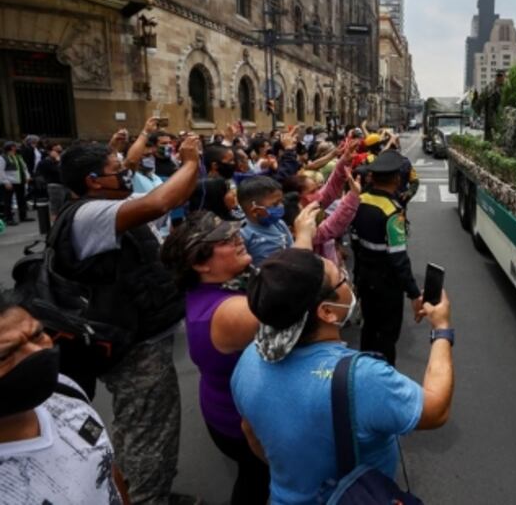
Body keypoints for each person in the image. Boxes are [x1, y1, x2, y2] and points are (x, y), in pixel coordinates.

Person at [231, 248, 455, 503]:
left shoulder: (249, 359)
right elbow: (436, 410)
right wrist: (442, 330)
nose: (349, 281)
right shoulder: (361, 379)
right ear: (327, 311)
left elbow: (250, 433)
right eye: (341, 278)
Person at [56, 127, 202, 505]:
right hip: (135, 350)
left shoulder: (100, 200)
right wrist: (189, 160)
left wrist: (132, 143)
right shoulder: (90, 214)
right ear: (93, 181)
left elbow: (166, 192)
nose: (125, 172)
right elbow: (159, 204)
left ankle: (134, 490)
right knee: (151, 433)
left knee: (136, 426)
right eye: (116, 168)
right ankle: (147, 498)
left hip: (140, 338)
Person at [161, 211, 275, 505]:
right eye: (225, 239)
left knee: (256, 478)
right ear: (199, 263)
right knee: (258, 482)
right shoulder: (231, 313)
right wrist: (302, 238)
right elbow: (294, 306)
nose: (238, 239)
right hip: (241, 424)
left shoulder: (216, 289)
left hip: (227, 411)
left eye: (236, 233)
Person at [0, 291, 128, 504]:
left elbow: (106, 470)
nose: (36, 352)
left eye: (37, 335)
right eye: (4, 355)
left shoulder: (65, 390)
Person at [351, 151, 423, 365]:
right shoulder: (393, 213)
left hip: (365, 279)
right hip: (386, 286)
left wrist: (358, 279)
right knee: (386, 337)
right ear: (396, 179)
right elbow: (399, 259)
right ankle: (383, 380)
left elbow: (355, 244)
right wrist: (414, 293)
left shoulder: (359, 200)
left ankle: (363, 372)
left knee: (369, 330)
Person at [240, 176, 293, 266]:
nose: (281, 206)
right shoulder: (243, 233)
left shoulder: (279, 224)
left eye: (281, 201)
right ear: (255, 210)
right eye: (275, 204)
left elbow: (292, 250)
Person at [1, 141, 32, 225]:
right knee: (8, 201)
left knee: (22, 199)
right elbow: (1, 171)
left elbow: (24, 167)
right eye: (15, 146)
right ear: (10, 148)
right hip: (10, 182)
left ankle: (23, 216)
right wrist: (6, 182)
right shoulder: (3, 158)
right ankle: (9, 219)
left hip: (20, 181)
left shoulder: (18, 156)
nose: (17, 148)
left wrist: (27, 176)